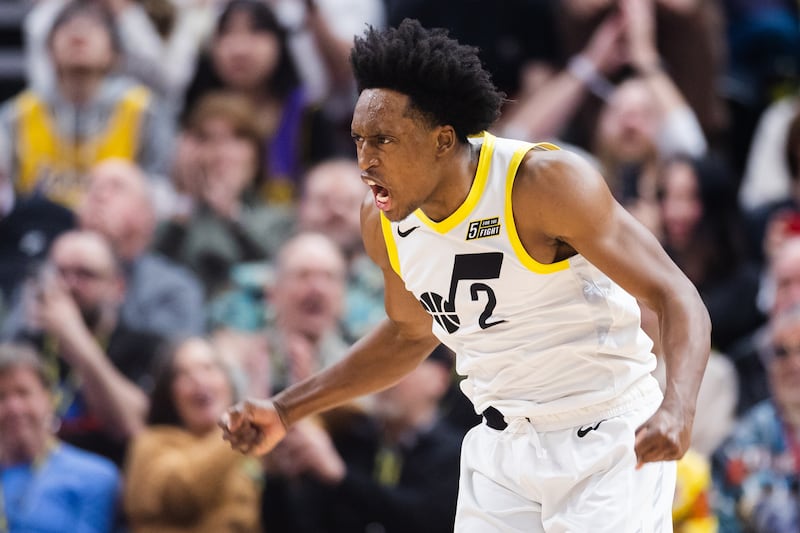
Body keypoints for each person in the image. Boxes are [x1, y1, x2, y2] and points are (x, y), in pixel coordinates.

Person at [221, 18, 711, 531]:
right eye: (359, 140)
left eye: (383, 140)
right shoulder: (383, 221)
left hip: (608, 435)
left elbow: (675, 294)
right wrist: (285, 409)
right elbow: (409, 333)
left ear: (442, 139)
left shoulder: (542, 184)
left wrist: (678, 407)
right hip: (501, 447)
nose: (364, 162)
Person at [2, 230, 164, 465]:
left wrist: (77, 341)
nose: (70, 285)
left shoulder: (145, 347)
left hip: (117, 477)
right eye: (61, 273)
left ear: (117, 287)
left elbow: (135, 427)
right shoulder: (26, 346)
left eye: (85, 274)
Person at [261, 344, 462, 533]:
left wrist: (342, 477)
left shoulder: (459, 453)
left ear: (440, 378)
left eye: (402, 364)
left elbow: (429, 519)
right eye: (377, 363)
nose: (385, 377)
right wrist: (277, 478)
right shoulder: (349, 439)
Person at [123, 336, 262, 532]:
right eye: (184, 374)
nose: (199, 380)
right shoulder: (150, 444)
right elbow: (182, 494)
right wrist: (240, 424)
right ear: (169, 393)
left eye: (209, 368)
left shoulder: (249, 449)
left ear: (229, 382)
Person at [0, 342, 120, 532]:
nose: (14, 408)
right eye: (1, 397)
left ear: (48, 398)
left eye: (23, 393)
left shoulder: (94, 476)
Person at [711, 303, 800, 533]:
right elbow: (727, 512)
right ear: (768, 364)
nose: (794, 364)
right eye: (782, 353)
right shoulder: (750, 431)